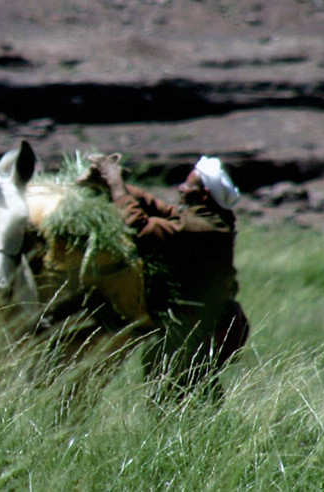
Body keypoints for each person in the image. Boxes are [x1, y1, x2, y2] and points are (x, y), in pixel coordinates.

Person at [85, 155, 249, 401]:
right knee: (189, 391)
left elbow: (139, 227)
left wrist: (117, 184)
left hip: (197, 331)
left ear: (203, 195)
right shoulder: (208, 219)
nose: (181, 189)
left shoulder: (204, 229)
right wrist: (109, 183)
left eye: (188, 185)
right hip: (201, 327)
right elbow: (160, 208)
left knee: (175, 394)